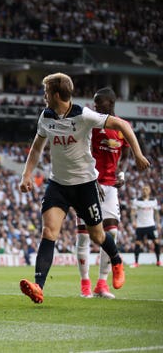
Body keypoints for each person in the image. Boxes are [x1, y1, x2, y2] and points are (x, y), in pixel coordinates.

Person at [18, 72, 150, 304]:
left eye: (46, 92)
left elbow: (121, 124)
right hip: (57, 184)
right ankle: (38, 286)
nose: (44, 96)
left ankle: (117, 260)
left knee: (97, 235)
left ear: (56, 95)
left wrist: (138, 154)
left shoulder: (83, 115)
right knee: (49, 232)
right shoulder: (45, 116)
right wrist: (26, 174)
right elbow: (37, 148)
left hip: (85, 185)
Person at [75, 87, 130, 299]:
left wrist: (122, 172)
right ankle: (85, 284)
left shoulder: (122, 127)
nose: (95, 106)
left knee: (112, 233)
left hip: (110, 186)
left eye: (99, 102)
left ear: (111, 103)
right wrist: (90, 175)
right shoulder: (92, 124)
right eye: (94, 102)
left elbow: (125, 152)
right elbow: (83, 150)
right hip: (88, 183)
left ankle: (101, 284)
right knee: (84, 236)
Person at [130, 185, 160, 267]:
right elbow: (132, 212)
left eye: (146, 189)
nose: (144, 191)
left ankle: (158, 261)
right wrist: (133, 221)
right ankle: (136, 262)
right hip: (140, 226)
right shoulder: (136, 201)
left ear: (149, 191)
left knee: (156, 242)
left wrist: (158, 223)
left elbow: (156, 213)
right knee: (137, 243)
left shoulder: (153, 201)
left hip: (151, 225)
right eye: (143, 189)